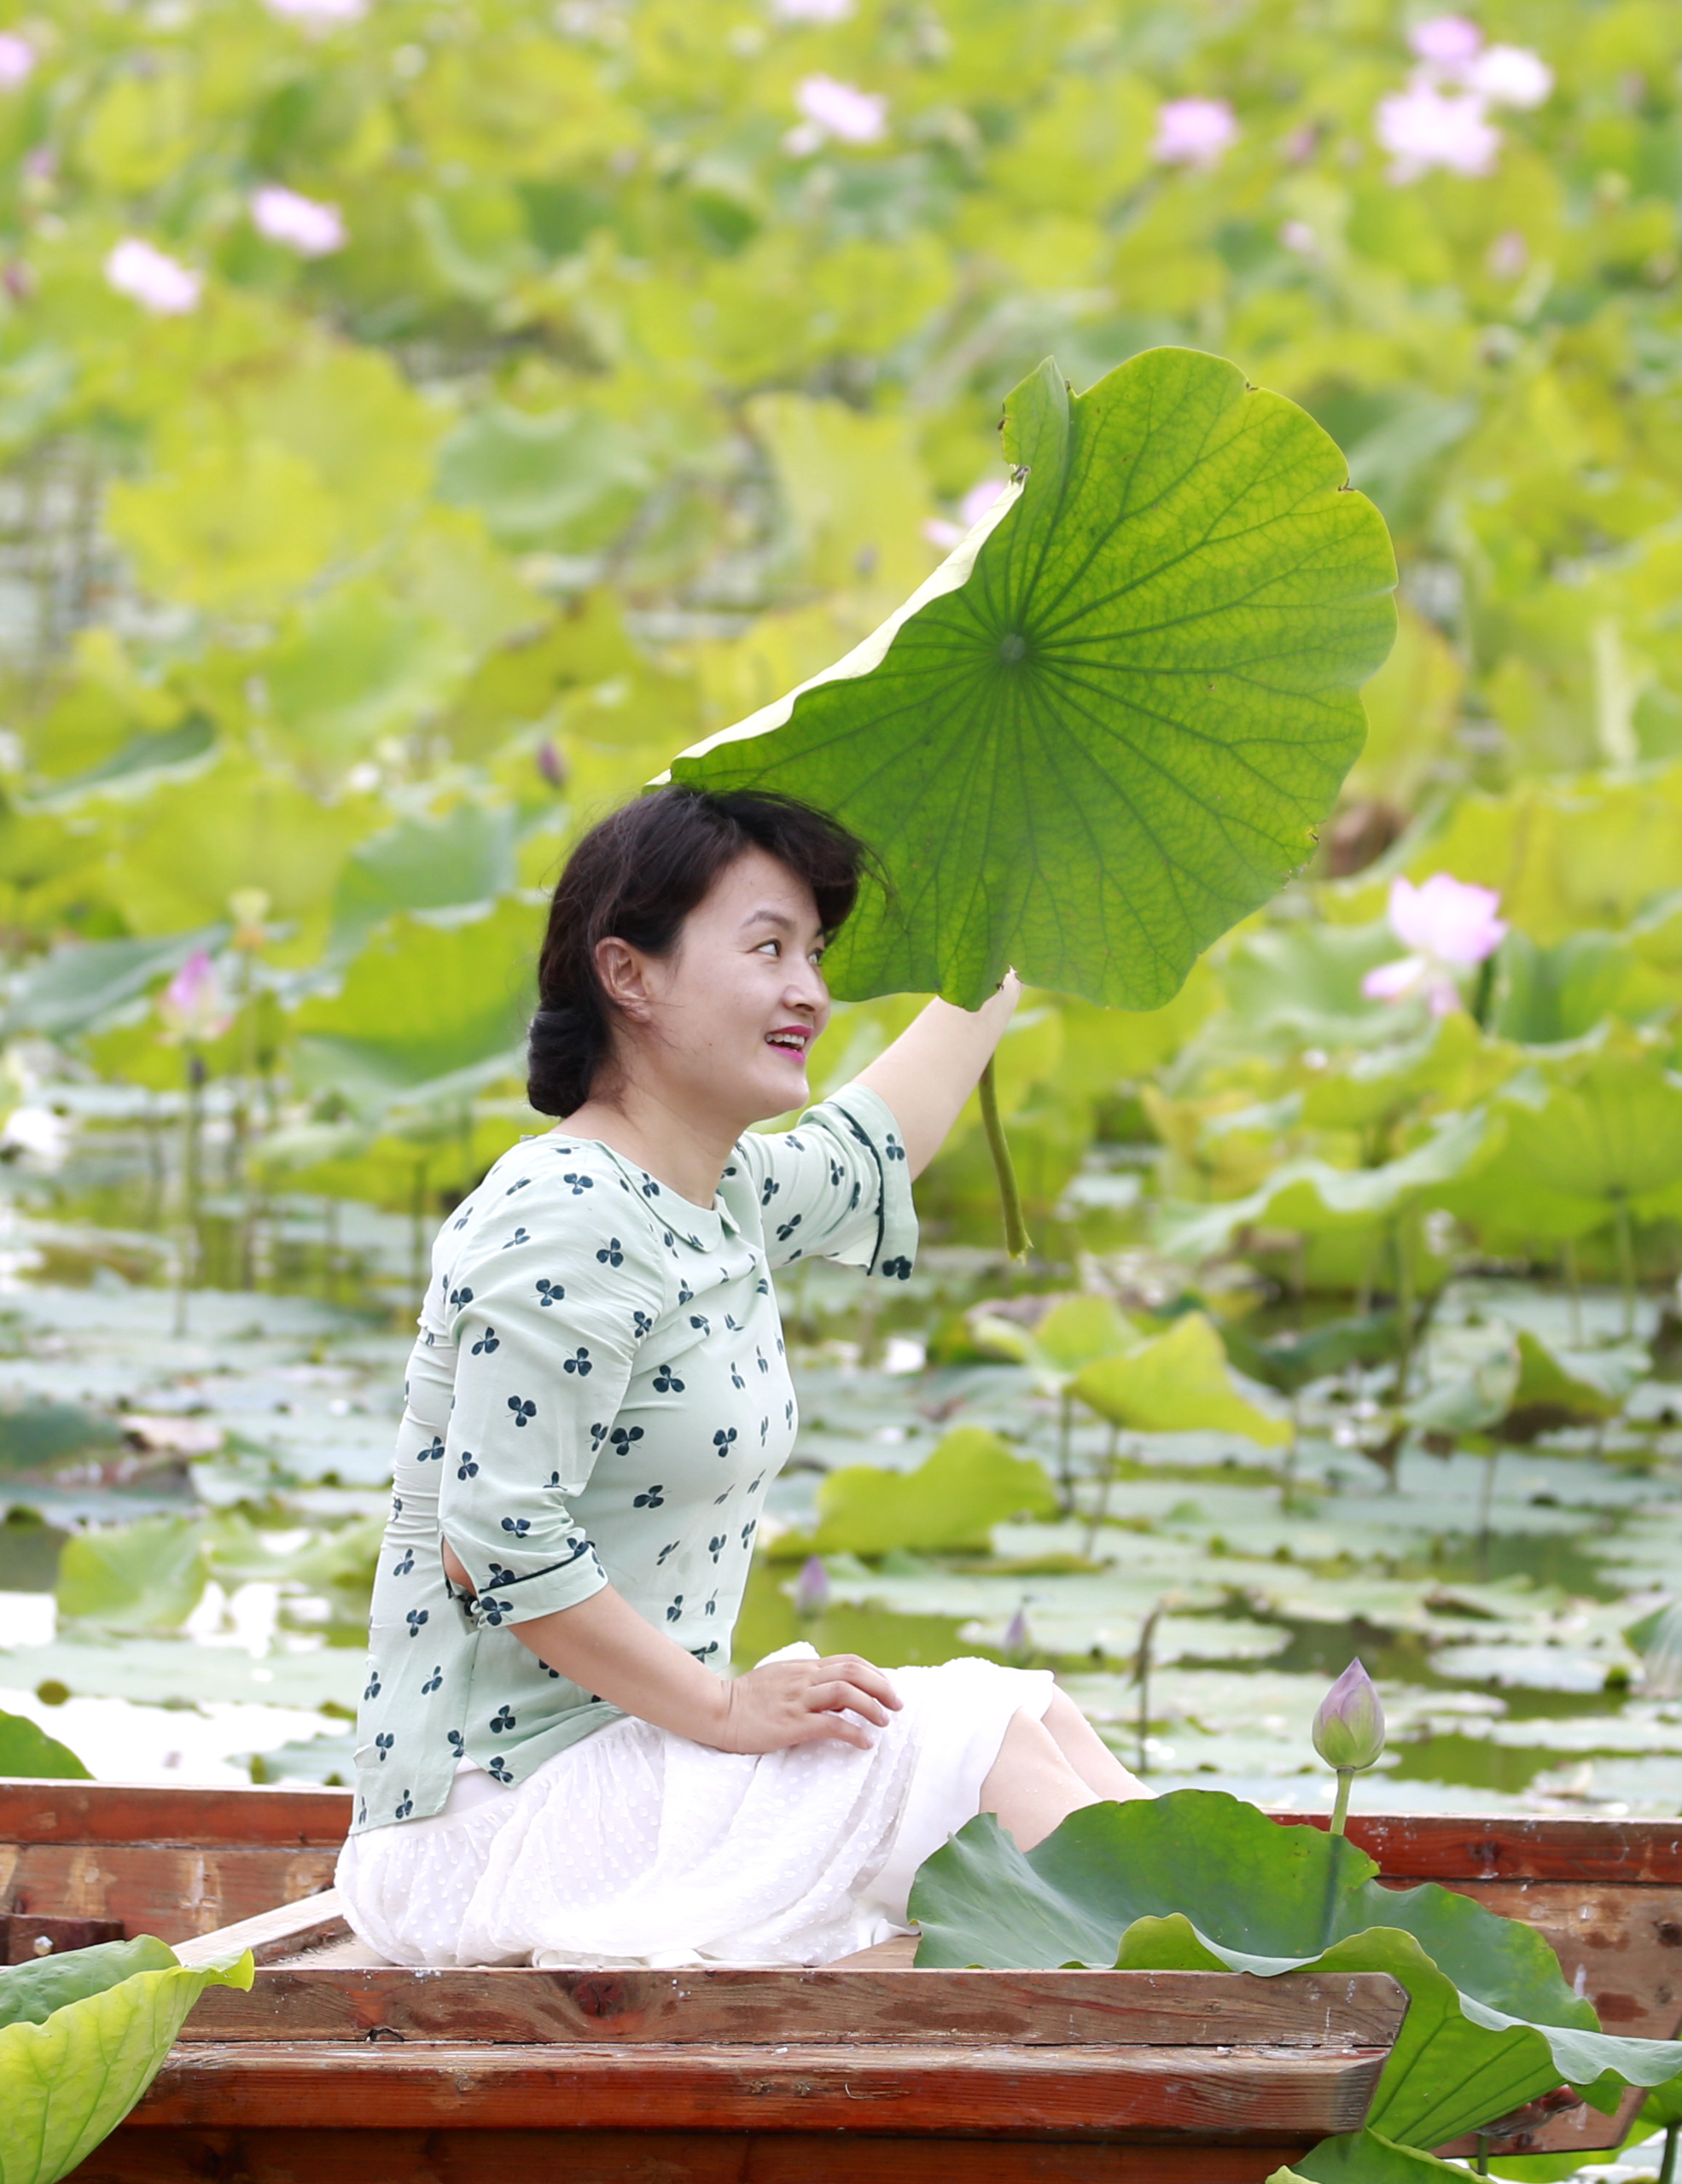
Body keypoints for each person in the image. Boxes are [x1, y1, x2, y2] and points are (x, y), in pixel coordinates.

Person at [339, 783, 1148, 1968]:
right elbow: (496, 1537)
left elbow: (879, 1136)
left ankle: (1237, 1970)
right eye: (768, 948)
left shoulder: (724, 1197)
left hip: (637, 1765)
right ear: (631, 976)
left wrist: (1004, 927)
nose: (809, 992)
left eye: (812, 953)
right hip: (491, 1818)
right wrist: (724, 1710)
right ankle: (1241, 2016)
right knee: (979, 1741)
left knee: (1030, 1714)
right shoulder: (558, 1217)